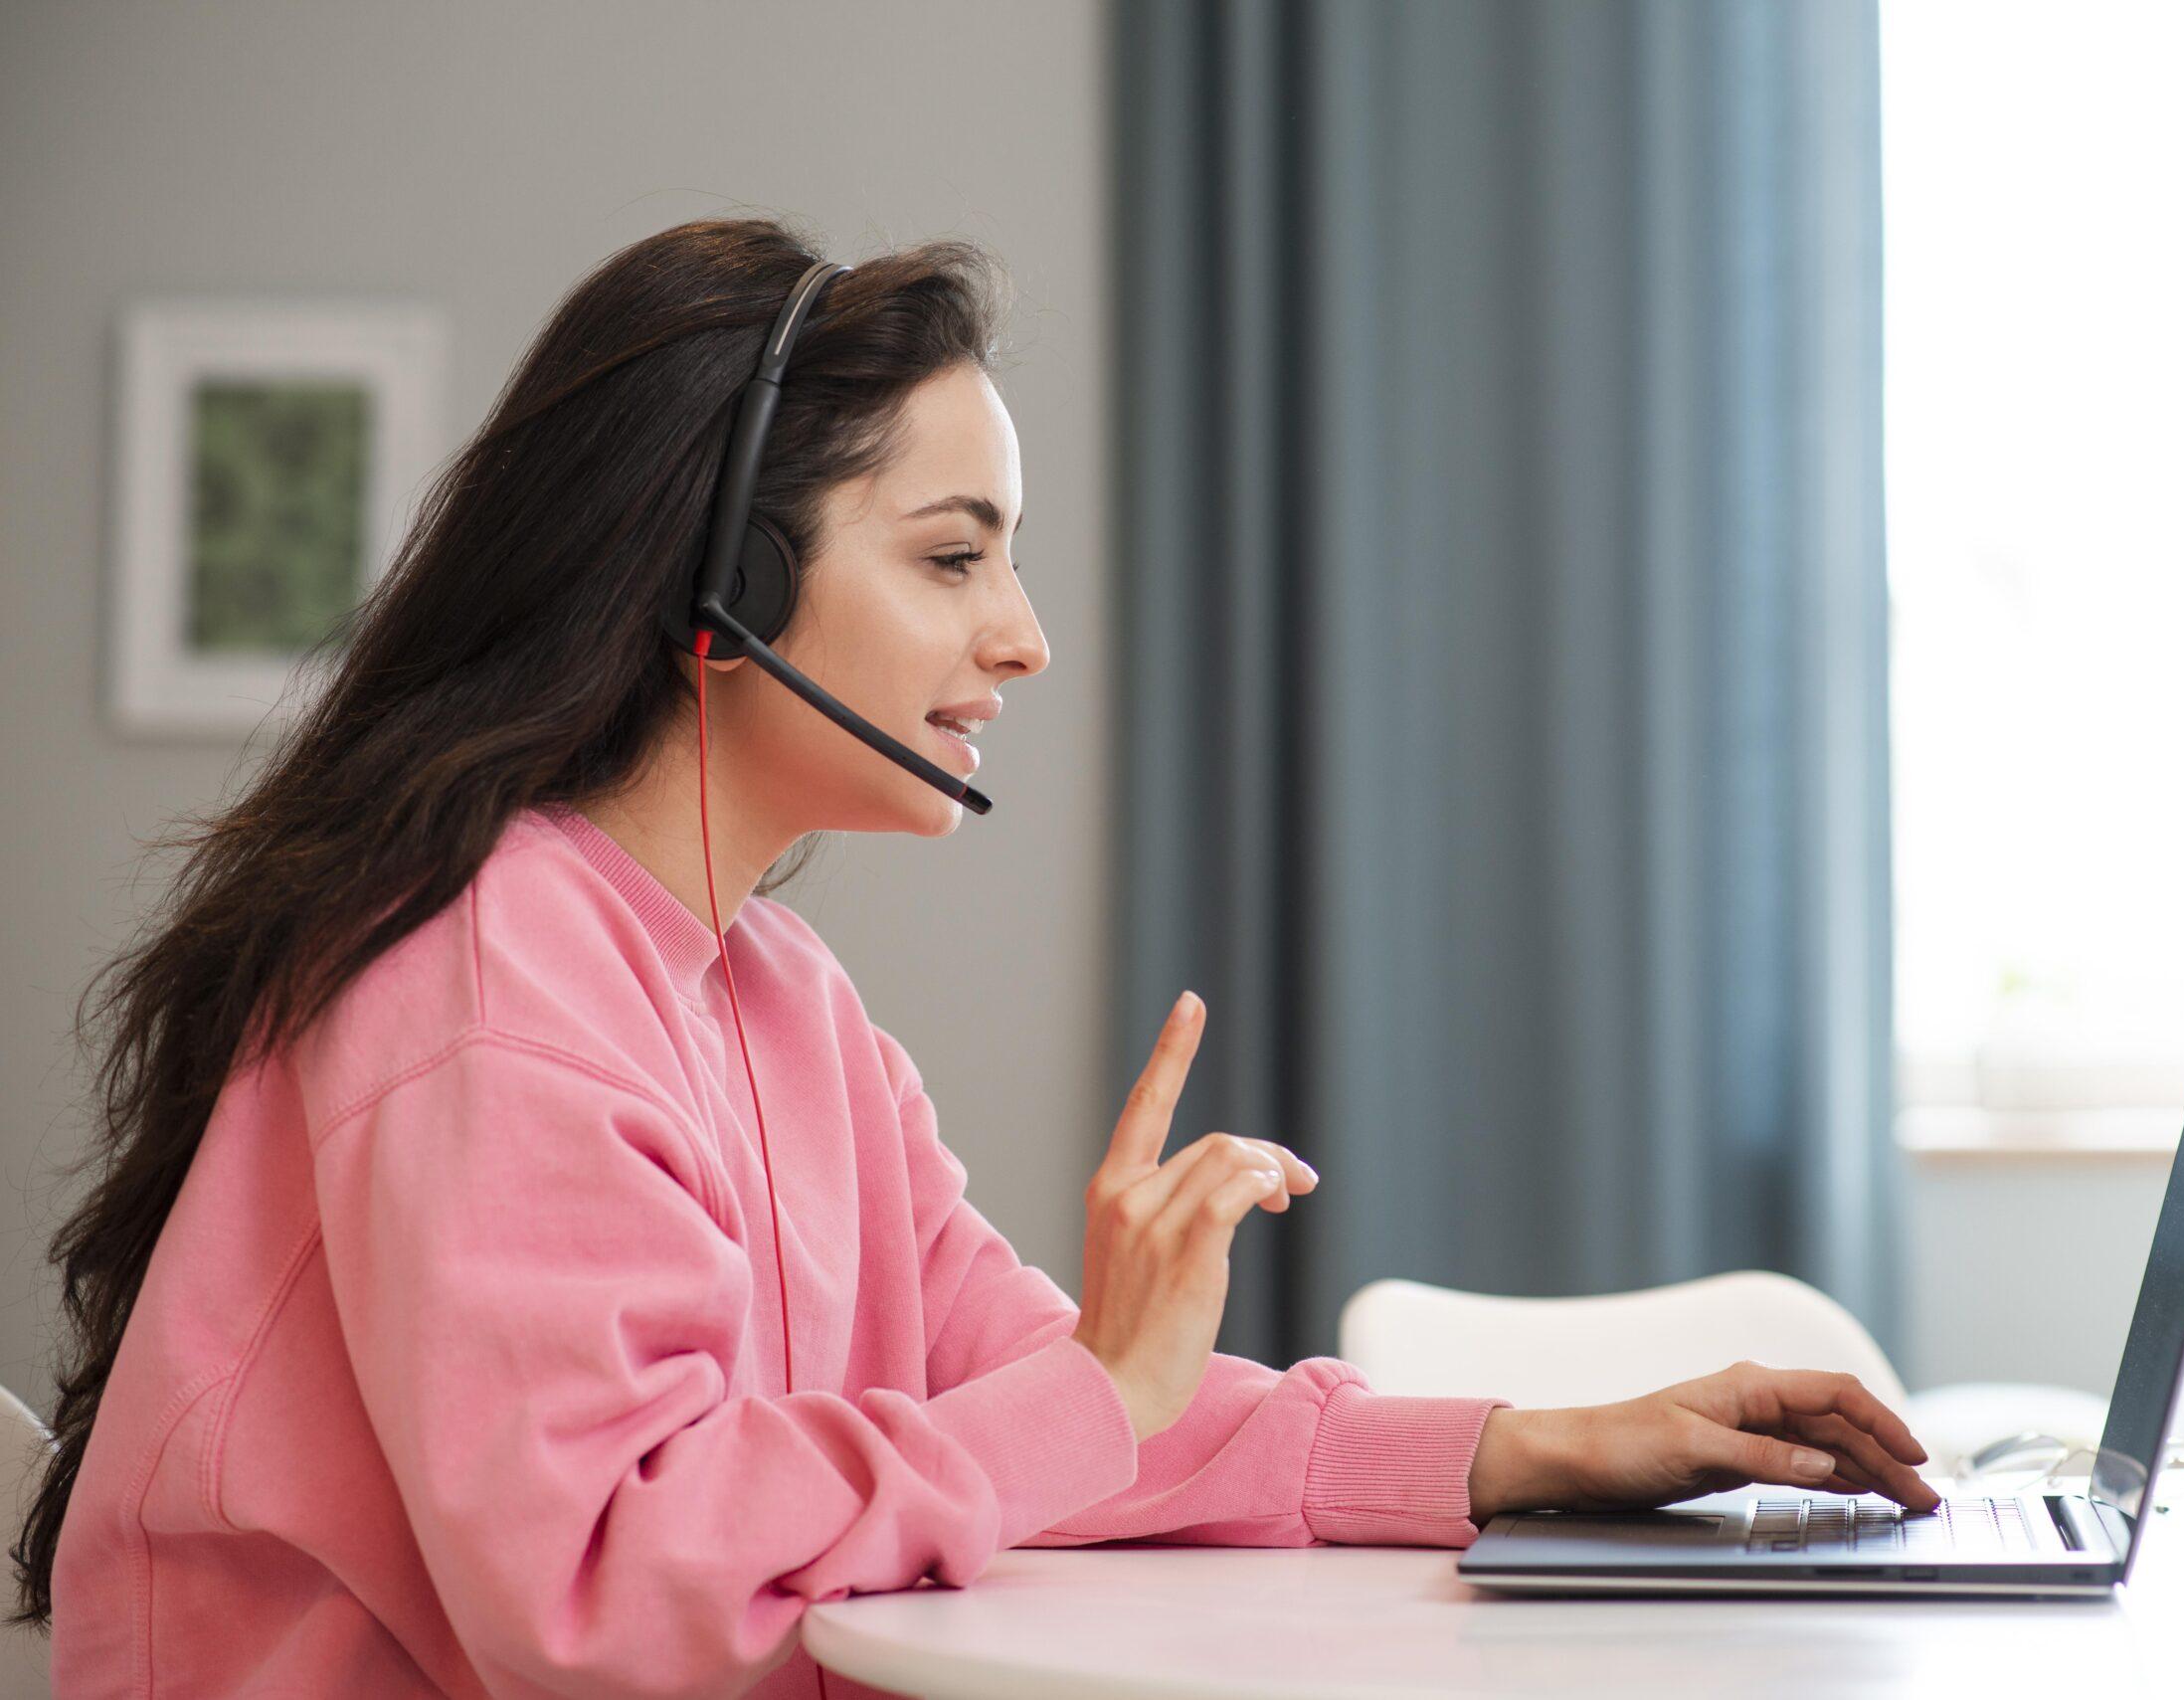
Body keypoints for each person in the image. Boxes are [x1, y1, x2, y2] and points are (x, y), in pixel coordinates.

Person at [16, 216, 1937, 1699]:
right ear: (721, 590)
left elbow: (1043, 1411)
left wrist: (1538, 1449)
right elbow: (608, 1598)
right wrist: (1091, 1393)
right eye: (953, 557)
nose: (1022, 638)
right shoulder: (488, 988)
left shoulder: (782, 1005)